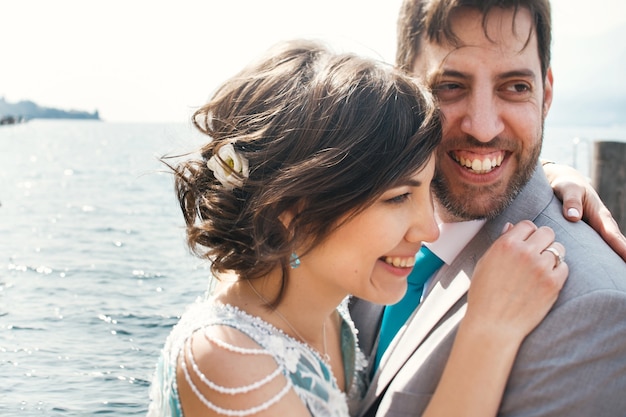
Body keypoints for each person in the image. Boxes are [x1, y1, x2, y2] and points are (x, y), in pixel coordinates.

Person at [146, 39, 569, 417]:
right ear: (288, 209)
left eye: (426, 191)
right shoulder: (224, 360)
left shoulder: (313, 302)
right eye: (399, 198)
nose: (428, 230)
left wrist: (552, 179)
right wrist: (489, 332)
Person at [352, 1, 626, 416]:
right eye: (450, 86)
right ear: (403, 87)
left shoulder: (594, 311)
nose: (482, 127)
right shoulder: (351, 216)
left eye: (515, 87)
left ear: (545, 95)